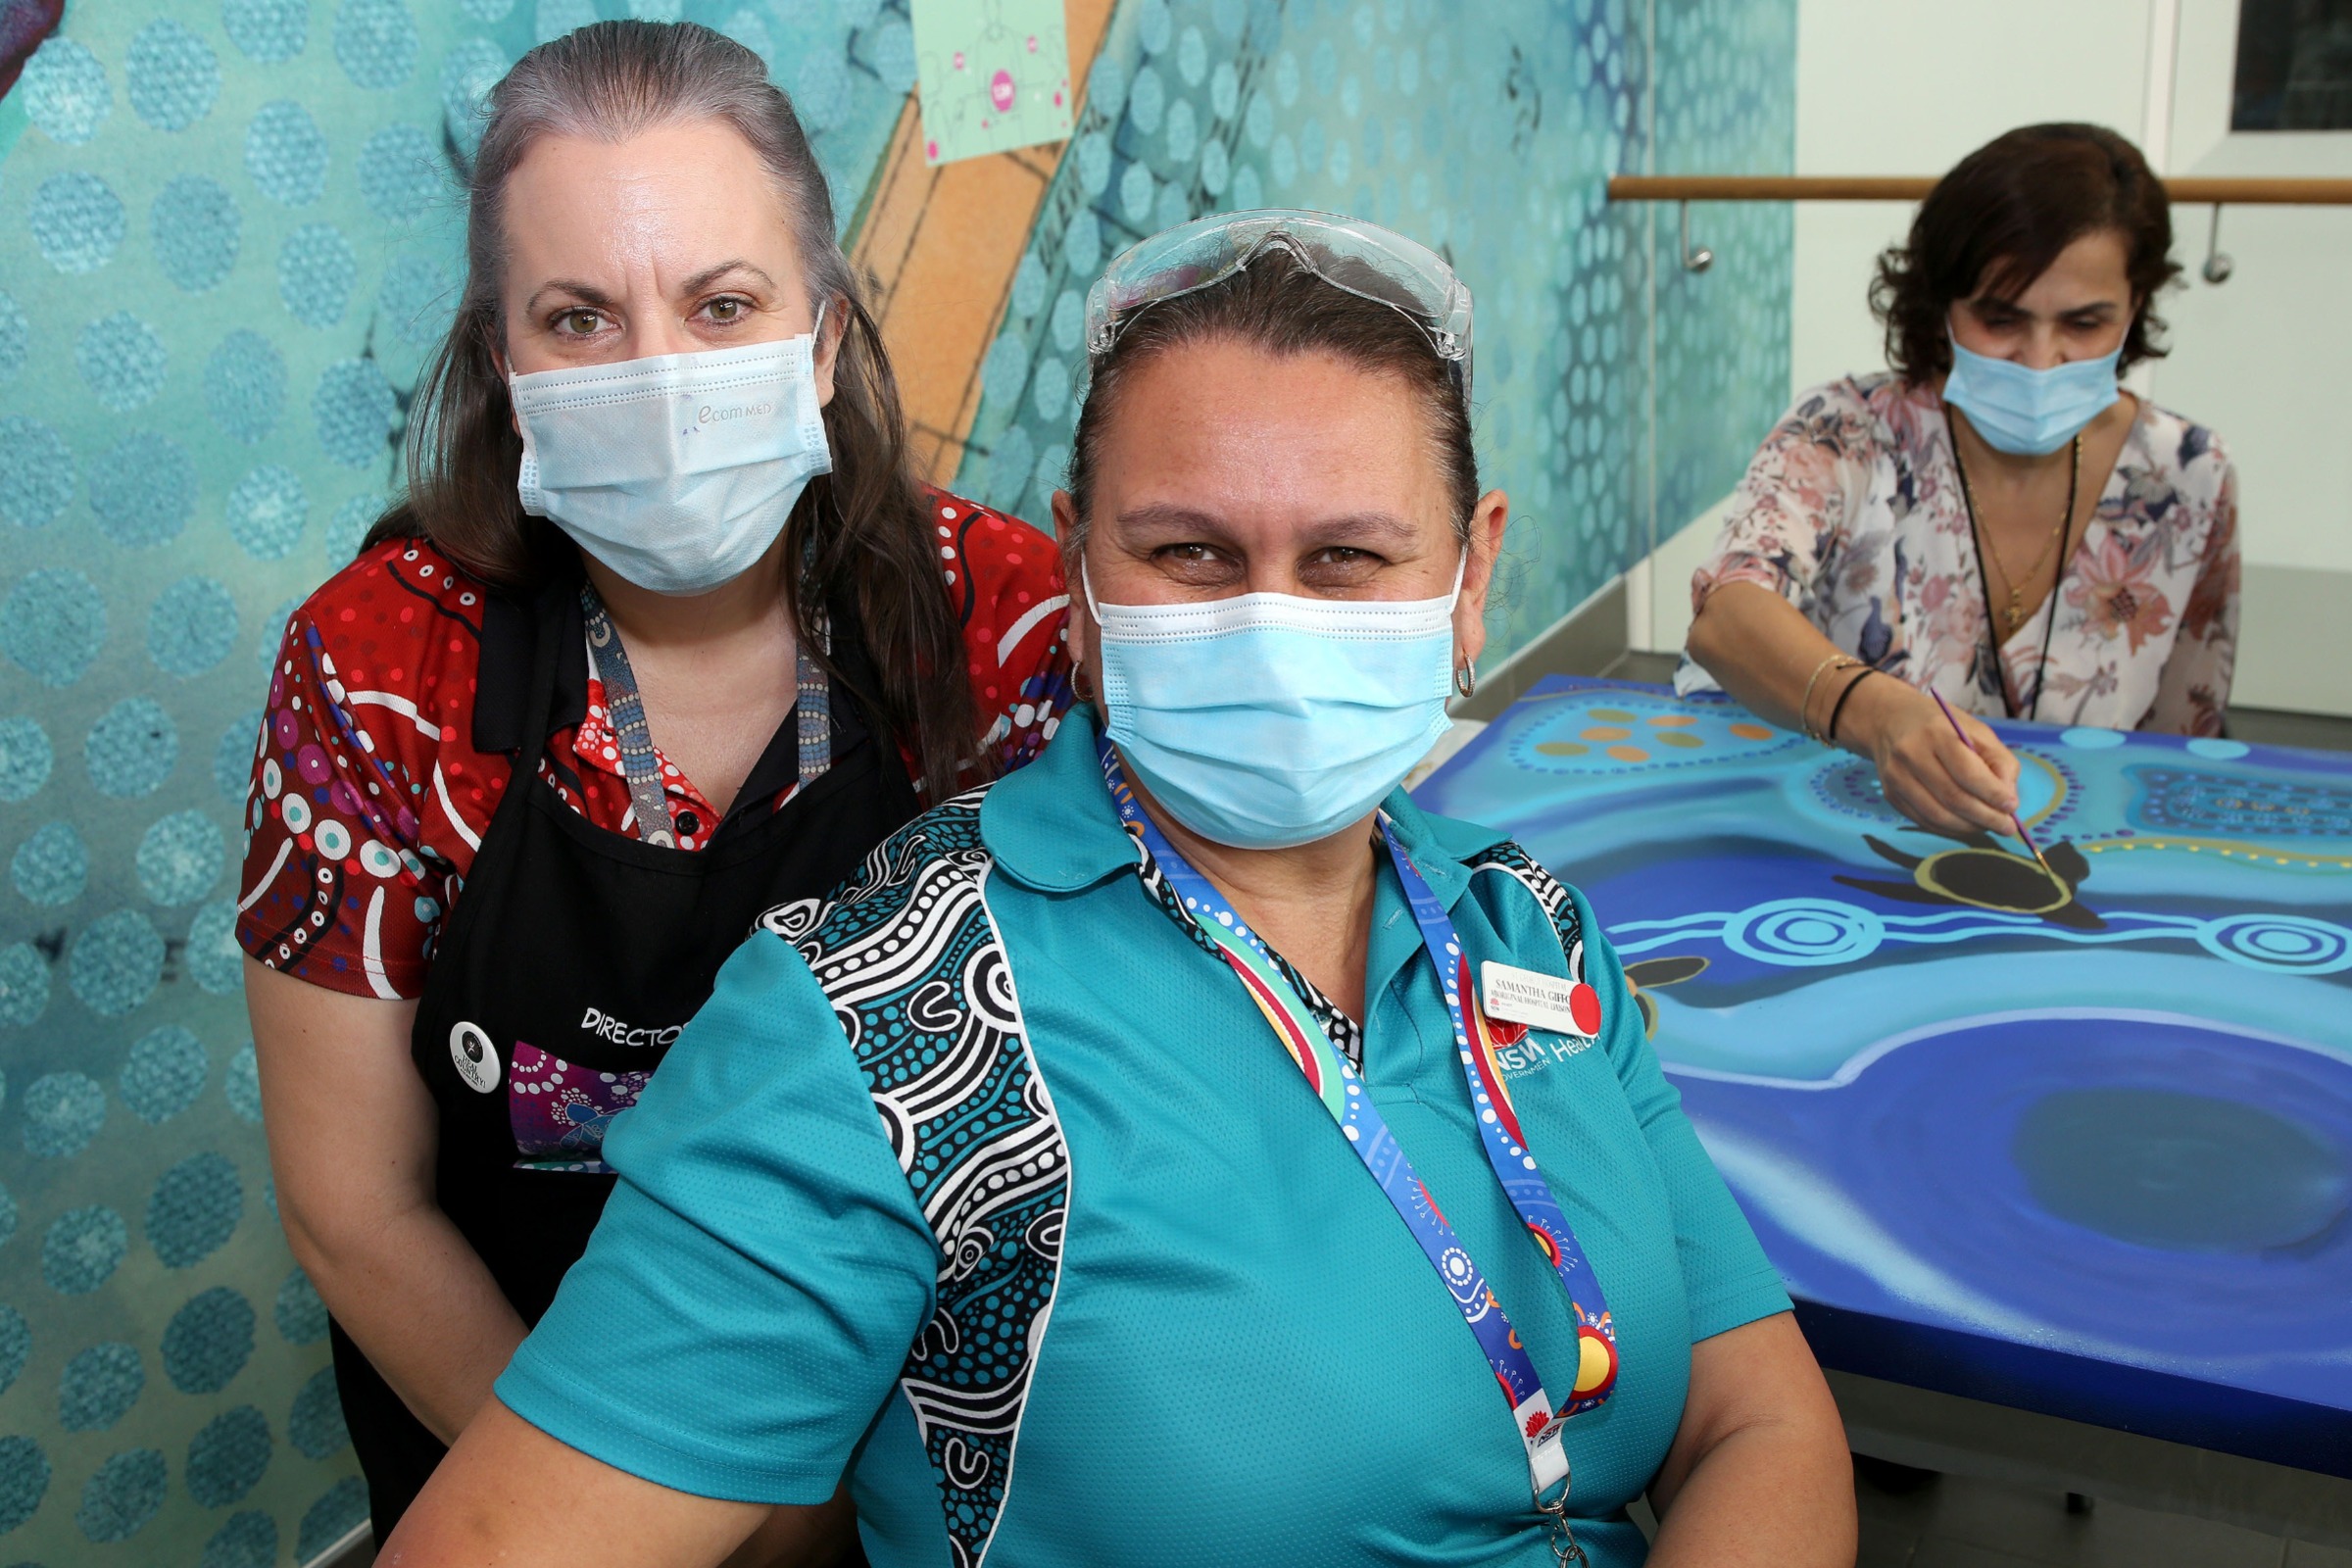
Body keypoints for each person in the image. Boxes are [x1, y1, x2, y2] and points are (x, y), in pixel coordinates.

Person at [382, 212, 1857, 1568]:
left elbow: (1763, 1423)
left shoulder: (1522, 921)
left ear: (1472, 580)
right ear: (1079, 572)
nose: (1272, 622)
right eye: (1189, 554)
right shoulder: (876, 1019)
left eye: (1348, 559)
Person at [236, 22, 1071, 1549]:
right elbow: (355, 1215)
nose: (662, 377)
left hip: (903, 1457)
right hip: (515, 1435)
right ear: (503, 362)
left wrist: (832, 1518)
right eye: (579, 318)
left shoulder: (1004, 629)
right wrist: (648, 1510)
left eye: (722, 305)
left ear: (823, 337)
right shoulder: (375, 673)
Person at [1682, 122, 2240, 837]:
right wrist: (1874, 714)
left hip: (2059, 857)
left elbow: (2185, 744)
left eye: (2086, 324)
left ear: (2136, 308)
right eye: (2000, 319)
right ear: (1941, 304)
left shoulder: (2188, 476)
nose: (2041, 361)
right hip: (1810, 835)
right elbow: (1727, 615)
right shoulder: (1848, 430)